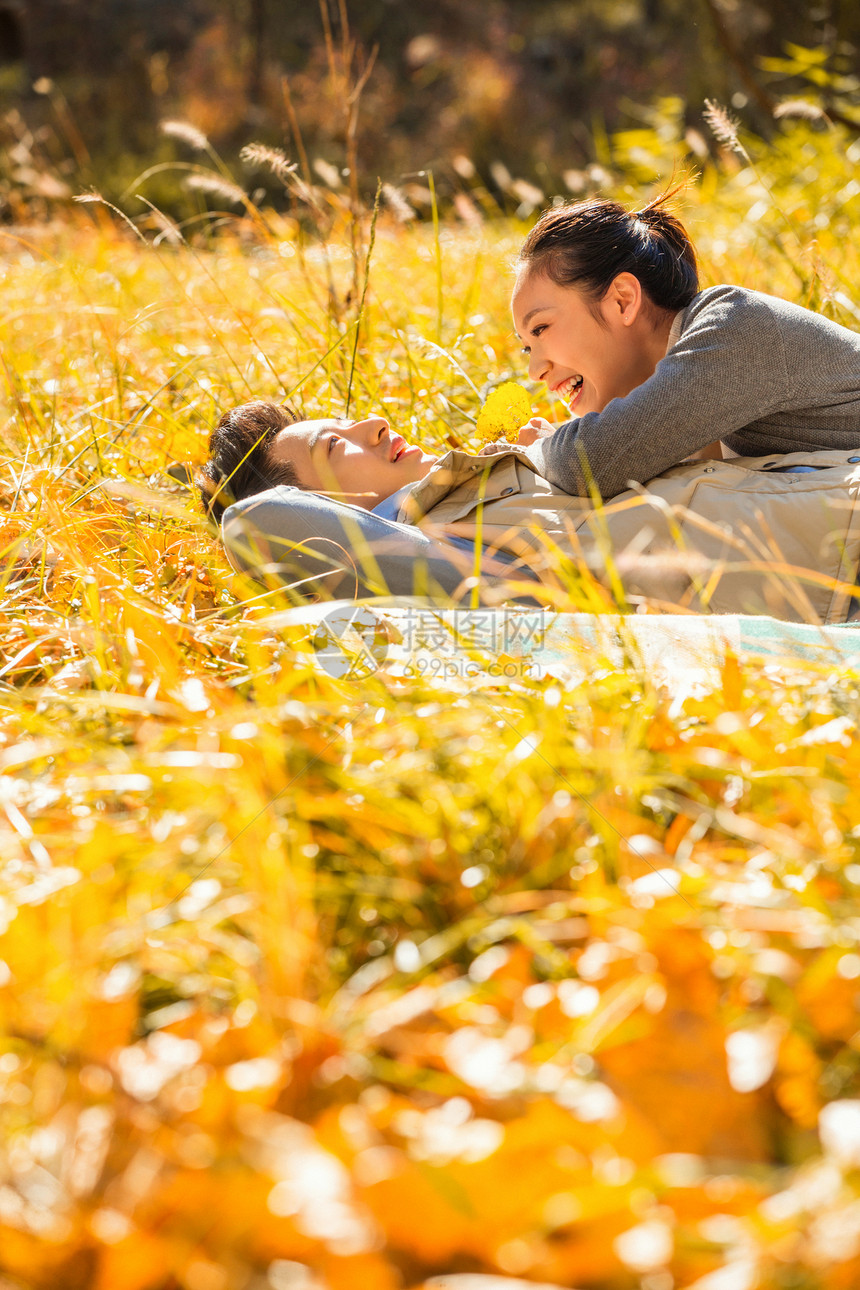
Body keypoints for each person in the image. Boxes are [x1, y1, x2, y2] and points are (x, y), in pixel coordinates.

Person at [198, 401, 860, 623]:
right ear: (320, 503)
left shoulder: (486, 479)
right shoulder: (425, 549)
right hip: (826, 563)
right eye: (333, 444)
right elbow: (256, 525)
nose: (373, 423)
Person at [492, 193, 860, 500]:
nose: (534, 370)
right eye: (526, 348)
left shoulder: (738, 326)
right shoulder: (681, 397)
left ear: (622, 300)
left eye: (540, 328)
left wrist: (535, 450)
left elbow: (590, 462)